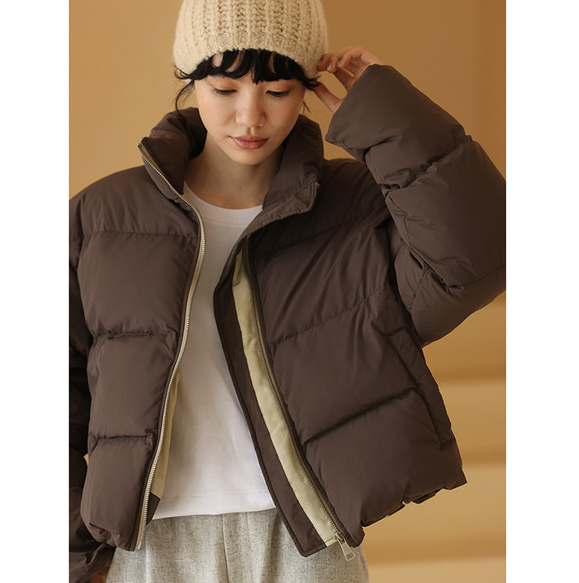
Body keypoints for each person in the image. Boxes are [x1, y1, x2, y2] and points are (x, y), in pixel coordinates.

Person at [69, 0, 506, 581]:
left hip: (304, 541)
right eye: (224, 89)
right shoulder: (101, 217)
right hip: (150, 547)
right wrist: (74, 558)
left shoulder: (354, 206)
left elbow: (477, 258)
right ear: (190, 80)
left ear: (307, 88)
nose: (249, 116)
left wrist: (384, 110)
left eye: (276, 91)